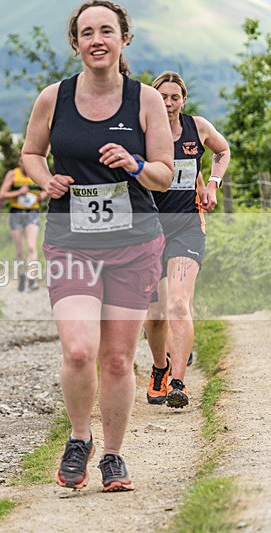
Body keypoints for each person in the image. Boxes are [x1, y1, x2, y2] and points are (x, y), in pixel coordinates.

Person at [20, 1, 173, 492]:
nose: (97, 40)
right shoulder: (54, 98)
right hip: (72, 242)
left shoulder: (146, 100)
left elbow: (163, 176)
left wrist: (132, 163)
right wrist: (46, 180)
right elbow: (30, 153)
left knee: (116, 357)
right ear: (76, 43)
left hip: (134, 244)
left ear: (124, 39)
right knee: (81, 350)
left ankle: (113, 455)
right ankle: (79, 437)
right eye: (87, 33)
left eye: (107, 30)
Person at [144, 71, 230, 408]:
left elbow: (222, 151)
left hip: (186, 227)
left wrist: (212, 183)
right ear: (153, 99)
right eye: (162, 97)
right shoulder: (142, 130)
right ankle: (159, 368)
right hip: (148, 232)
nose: (167, 103)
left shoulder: (198, 128)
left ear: (183, 100)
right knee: (154, 315)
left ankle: (178, 383)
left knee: (179, 304)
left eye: (174, 97)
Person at [0, 157, 47, 291]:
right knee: (20, 251)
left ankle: (32, 279)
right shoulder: (13, 174)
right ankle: (21, 277)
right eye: (22, 162)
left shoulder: (38, 173)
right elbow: (2, 194)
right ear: (19, 163)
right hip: (16, 213)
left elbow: (48, 187)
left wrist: (44, 194)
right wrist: (18, 192)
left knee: (31, 247)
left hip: (32, 213)